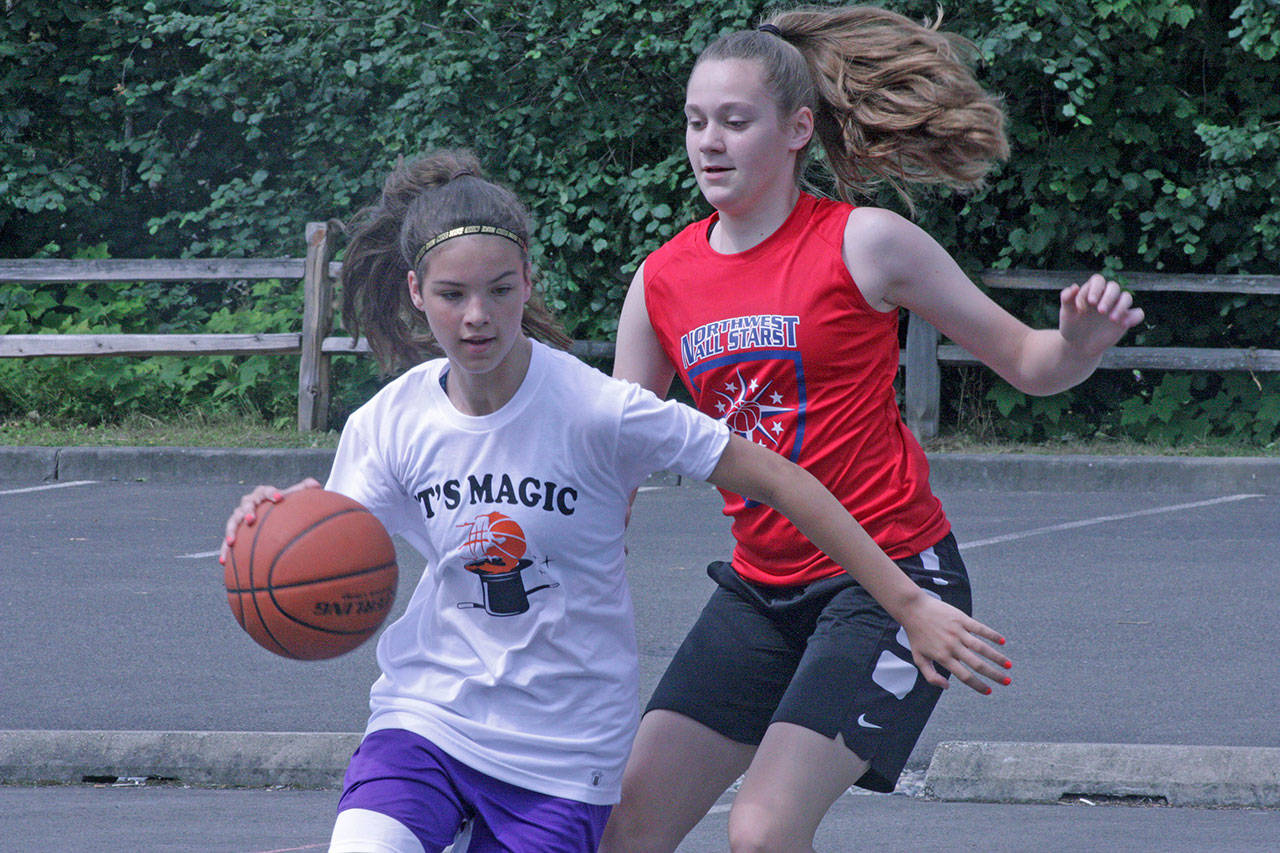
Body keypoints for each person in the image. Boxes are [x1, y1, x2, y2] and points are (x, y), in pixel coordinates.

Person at [218, 149, 1010, 853]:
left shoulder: (599, 410)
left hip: (560, 751)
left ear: (527, 282)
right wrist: (278, 520)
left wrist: (909, 601)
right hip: (427, 717)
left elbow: (782, 478)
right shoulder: (390, 419)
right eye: (454, 294)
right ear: (417, 293)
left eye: (498, 290)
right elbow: (335, 536)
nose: (477, 315)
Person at [600, 7, 1144, 853]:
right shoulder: (661, 280)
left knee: (763, 830)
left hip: (893, 581)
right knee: (623, 830)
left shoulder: (865, 243)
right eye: (696, 121)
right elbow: (611, 467)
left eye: (736, 122)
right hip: (759, 589)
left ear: (796, 129)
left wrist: (1077, 342)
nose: (710, 141)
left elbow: (1032, 363)